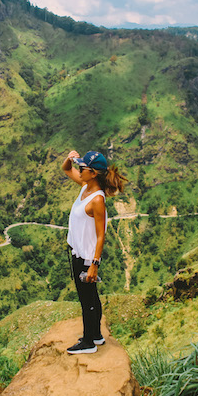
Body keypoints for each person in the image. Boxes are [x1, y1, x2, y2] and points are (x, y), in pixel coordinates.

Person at [62, 150, 127, 354]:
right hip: (77, 251)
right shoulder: (84, 187)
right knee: (91, 296)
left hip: (86, 257)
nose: (79, 170)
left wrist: (94, 265)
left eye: (83, 168)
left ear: (93, 173)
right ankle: (96, 335)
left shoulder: (97, 200)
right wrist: (70, 158)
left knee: (86, 299)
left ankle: (88, 342)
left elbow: (101, 235)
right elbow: (65, 169)